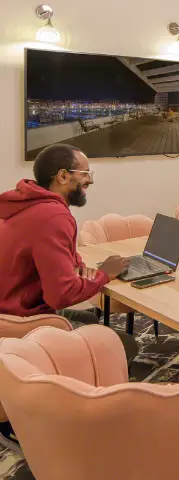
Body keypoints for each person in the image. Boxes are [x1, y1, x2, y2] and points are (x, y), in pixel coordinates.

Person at [0, 143, 138, 359]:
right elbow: (60, 295)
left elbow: (59, 256)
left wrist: (82, 268)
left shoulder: (25, 203)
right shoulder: (53, 217)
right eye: (85, 173)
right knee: (125, 345)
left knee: (91, 320)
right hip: (21, 322)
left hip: (8, 310)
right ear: (63, 176)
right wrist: (104, 274)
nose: (90, 181)